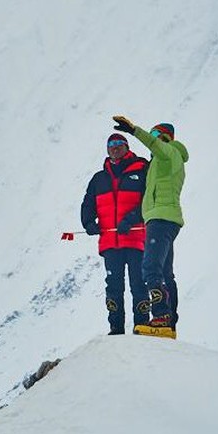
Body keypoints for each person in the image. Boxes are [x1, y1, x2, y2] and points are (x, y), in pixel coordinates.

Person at [112, 115, 188, 338]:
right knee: (165, 272)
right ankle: (170, 322)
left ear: (166, 137)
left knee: (150, 267)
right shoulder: (161, 161)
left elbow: (156, 145)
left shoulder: (169, 153)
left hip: (161, 219)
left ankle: (162, 317)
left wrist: (135, 131)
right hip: (163, 218)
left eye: (157, 135)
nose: (154, 139)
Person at [80, 133, 150, 335]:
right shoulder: (99, 179)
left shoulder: (141, 170)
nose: (115, 147)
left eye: (119, 144)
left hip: (136, 240)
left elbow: (149, 202)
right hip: (110, 243)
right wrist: (88, 223)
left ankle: (142, 326)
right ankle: (116, 329)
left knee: (139, 284)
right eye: (111, 144)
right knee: (113, 287)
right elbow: (88, 204)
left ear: (127, 147)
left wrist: (131, 220)